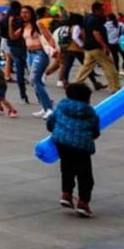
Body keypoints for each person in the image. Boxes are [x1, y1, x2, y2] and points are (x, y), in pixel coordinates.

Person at [47, 82, 102, 217]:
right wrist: (91, 136)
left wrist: (54, 130)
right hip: (81, 147)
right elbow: (95, 132)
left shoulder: (61, 106)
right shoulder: (91, 113)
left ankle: (66, 194)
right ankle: (83, 202)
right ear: (87, 98)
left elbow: (51, 121)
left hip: (62, 143)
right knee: (85, 175)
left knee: (67, 169)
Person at [12, 5, 56, 118]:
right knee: (36, 82)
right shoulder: (23, 26)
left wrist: (53, 49)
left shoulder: (38, 24)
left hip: (40, 54)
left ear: (32, 13)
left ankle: (50, 108)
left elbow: (49, 37)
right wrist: (9, 22)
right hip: (29, 54)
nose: (24, 15)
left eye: (26, 12)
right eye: (22, 12)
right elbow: (12, 36)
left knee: (35, 80)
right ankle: (45, 107)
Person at [76, 1, 122, 92]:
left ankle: (76, 83)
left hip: (88, 47)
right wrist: (104, 46)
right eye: (102, 10)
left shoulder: (86, 18)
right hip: (97, 47)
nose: (103, 11)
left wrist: (85, 43)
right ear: (96, 10)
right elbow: (96, 33)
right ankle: (115, 87)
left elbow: (83, 32)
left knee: (86, 67)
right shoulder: (96, 20)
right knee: (109, 67)